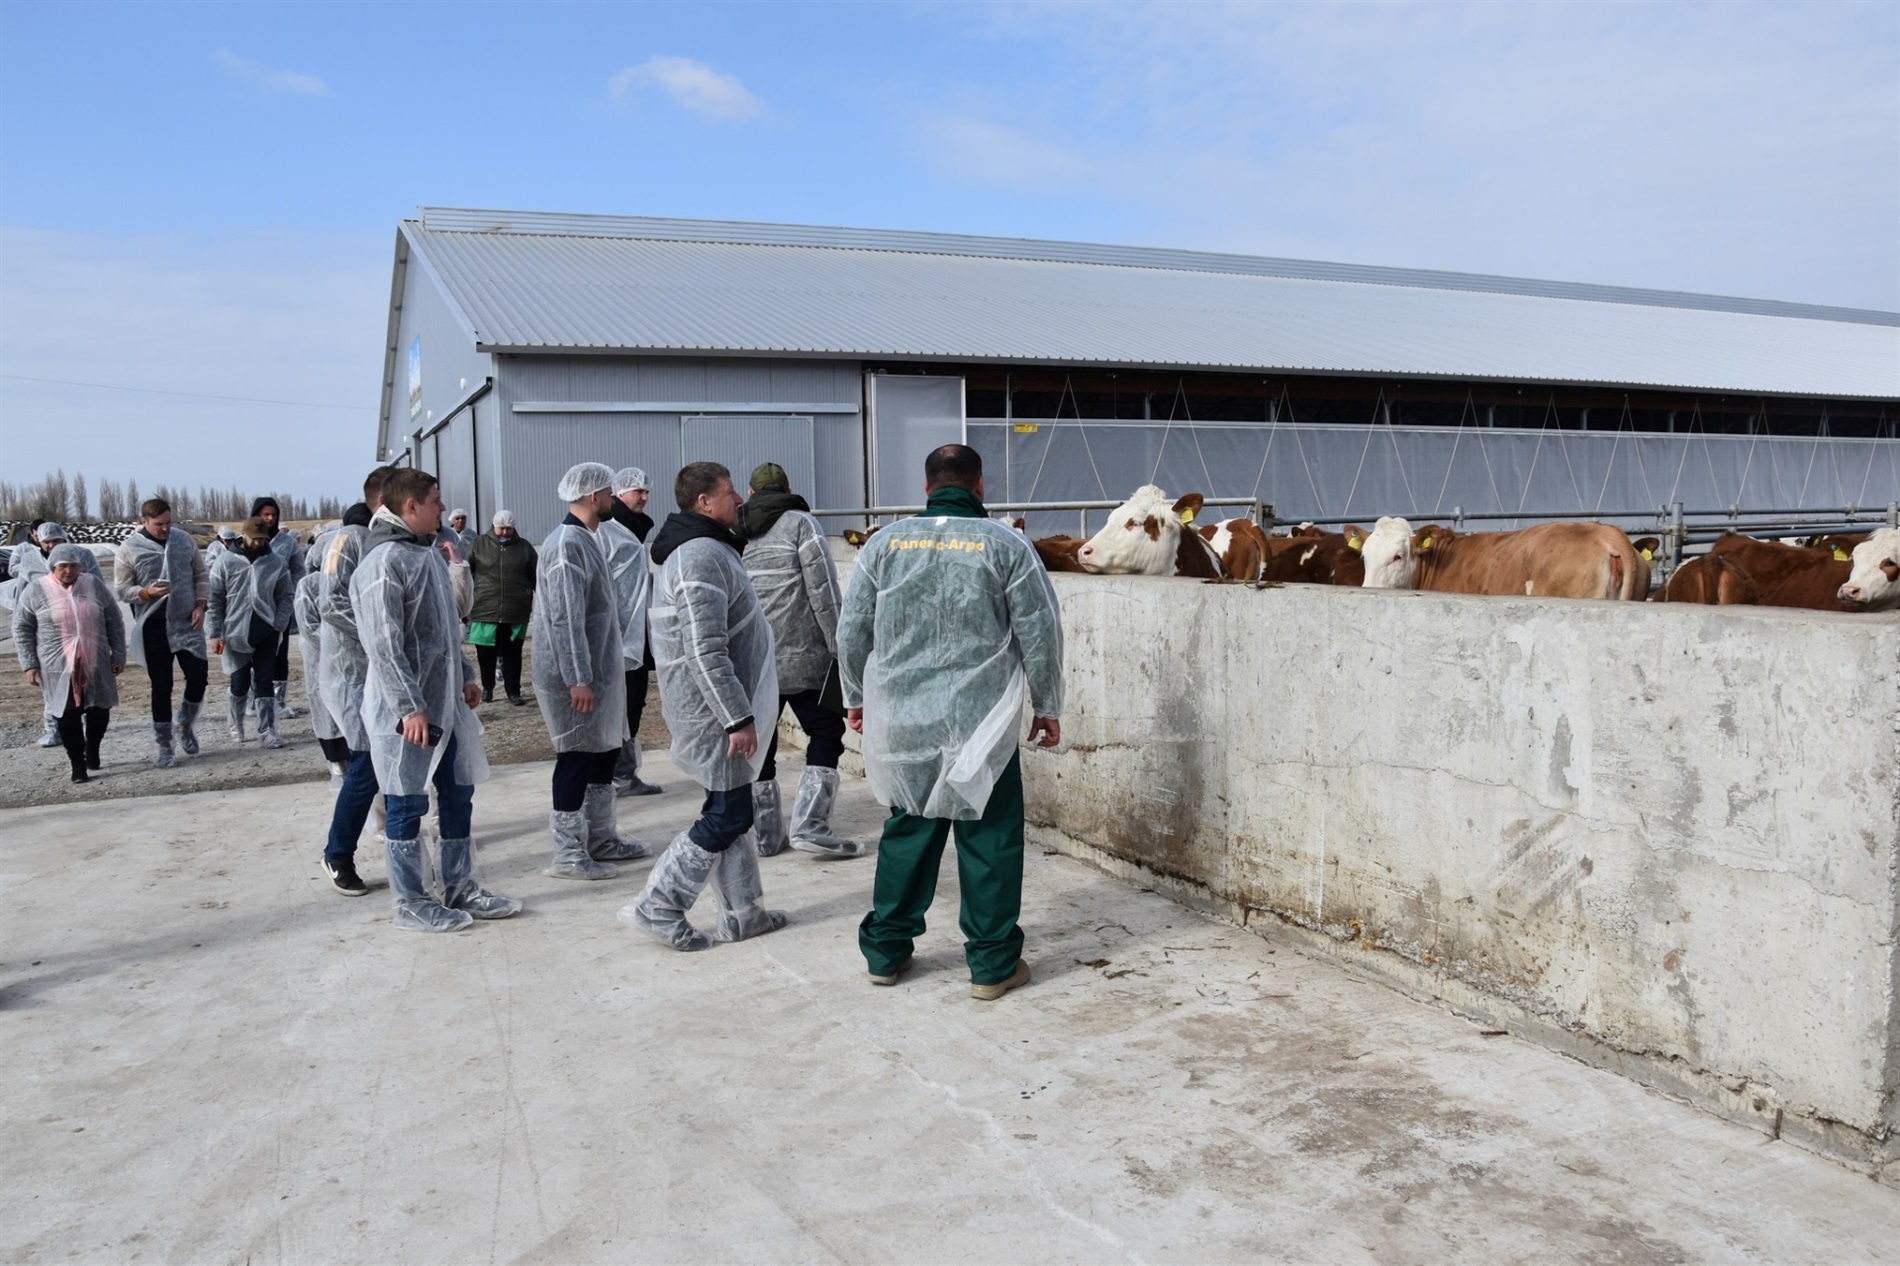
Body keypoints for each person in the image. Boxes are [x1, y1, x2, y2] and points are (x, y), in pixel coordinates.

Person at [839, 444, 1064, 1001]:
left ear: (927, 488)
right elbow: (1041, 629)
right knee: (987, 837)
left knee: (908, 831)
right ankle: (990, 966)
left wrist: (855, 696)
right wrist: (1048, 703)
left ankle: (887, 955)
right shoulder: (1006, 544)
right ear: (979, 486)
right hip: (981, 722)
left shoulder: (883, 544)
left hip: (906, 719)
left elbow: (851, 631)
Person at [623, 461, 784, 952]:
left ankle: (744, 912)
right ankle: (659, 903)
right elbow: (703, 646)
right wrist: (736, 716)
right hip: (712, 712)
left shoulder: (712, 549)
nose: (739, 501)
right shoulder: (698, 556)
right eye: (729, 493)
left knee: (728, 807)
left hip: (720, 706)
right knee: (729, 813)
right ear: (704, 503)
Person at [353, 467, 519, 932]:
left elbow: (446, 627)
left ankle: (461, 886)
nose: (443, 508)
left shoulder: (424, 554)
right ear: (411, 506)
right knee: (407, 801)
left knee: (457, 792)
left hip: (443, 701)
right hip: (407, 712)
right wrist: (409, 707)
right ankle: (410, 901)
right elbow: (384, 644)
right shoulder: (383, 562)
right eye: (436, 500)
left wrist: (466, 673)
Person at [531, 462, 649, 879]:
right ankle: (567, 854)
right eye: (608, 493)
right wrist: (577, 677)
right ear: (593, 496)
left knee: (603, 754)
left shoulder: (589, 538)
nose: (613, 500)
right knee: (576, 758)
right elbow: (565, 617)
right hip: (574, 677)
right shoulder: (566, 544)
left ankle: (601, 838)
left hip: (596, 672)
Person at [741, 461, 859, 857]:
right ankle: (810, 824)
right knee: (825, 732)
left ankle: (766, 835)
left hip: (755, 662)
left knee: (761, 744)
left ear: (752, 493)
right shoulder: (800, 524)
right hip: (805, 658)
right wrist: (840, 647)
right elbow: (823, 590)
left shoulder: (736, 529)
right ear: (787, 489)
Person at [316, 469, 398, 897]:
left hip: (391, 672)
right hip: (354, 671)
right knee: (366, 761)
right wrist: (377, 638)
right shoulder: (347, 539)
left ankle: (409, 845)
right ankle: (338, 852)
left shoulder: (397, 541)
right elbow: (330, 603)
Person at [13, 543, 126, 782]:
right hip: (57, 666)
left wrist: (118, 654)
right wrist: (29, 664)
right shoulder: (36, 590)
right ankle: (78, 764)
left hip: (95, 660)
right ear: (52, 567)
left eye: (73, 565)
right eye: (62, 566)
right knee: (66, 716)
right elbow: (22, 627)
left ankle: (92, 748)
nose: (68, 571)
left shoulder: (92, 584)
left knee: (99, 710)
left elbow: (114, 618)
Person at [112, 497, 210, 768]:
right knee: (162, 686)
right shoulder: (129, 548)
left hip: (187, 620)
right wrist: (145, 592)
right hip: (153, 624)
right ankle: (165, 744)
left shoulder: (183, 541)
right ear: (144, 522)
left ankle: (185, 723)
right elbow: (122, 589)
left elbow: (201, 575)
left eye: (169, 522)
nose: (166, 529)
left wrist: (201, 604)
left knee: (199, 677)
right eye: (159, 524)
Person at [11, 523, 103, 748]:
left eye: (56, 541)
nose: (51, 546)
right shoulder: (30, 561)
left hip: (80, 627)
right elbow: (22, 594)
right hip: (48, 629)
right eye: (46, 542)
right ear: (38, 541)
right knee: (51, 682)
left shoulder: (84, 556)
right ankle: (53, 729)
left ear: (65, 538)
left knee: (83, 680)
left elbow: (98, 588)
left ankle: (82, 727)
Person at [206, 517, 295, 749]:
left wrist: (279, 623)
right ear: (242, 535)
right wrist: (214, 633)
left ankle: (267, 730)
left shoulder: (274, 562)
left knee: (265, 680)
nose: (257, 543)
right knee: (240, 682)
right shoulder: (225, 563)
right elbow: (214, 600)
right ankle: (235, 722)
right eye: (254, 538)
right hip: (234, 633)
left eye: (262, 539)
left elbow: (285, 594)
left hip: (266, 630)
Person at [604, 466, 662, 797]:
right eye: (637, 491)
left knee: (634, 705)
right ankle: (612, 777)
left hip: (637, 637)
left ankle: (624, 775)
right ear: (619, 493)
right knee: (619, 708)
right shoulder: (609, 531)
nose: (644, 497)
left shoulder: (634, 530)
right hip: (617, 637)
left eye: (646, 491)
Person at [466, 510, 536, 705]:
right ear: (493, 526)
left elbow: (536, 575)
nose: (505, 532)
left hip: (515, 611)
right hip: (485, 610)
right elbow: (465, 572)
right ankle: (487, 688)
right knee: (485, 655)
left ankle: (513, 691)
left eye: (508, 529)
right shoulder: (478, 544)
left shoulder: (524, 547)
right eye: (501, 528)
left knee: (513, 654)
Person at [251, 497, 304, 720]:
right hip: (252, 609)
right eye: (265, 515)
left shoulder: (286, 543)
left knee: (279, 655)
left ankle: (279, 701)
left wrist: (291, 596)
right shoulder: (248, 540)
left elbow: (298, 572)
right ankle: (254, 700)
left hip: (279, 607)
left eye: (273, 515)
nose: (270, 519)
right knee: (252, 656)